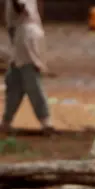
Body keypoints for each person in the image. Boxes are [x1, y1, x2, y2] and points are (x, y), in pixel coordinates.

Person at [1, 0, 53, 135]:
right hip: (22, 34)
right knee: (14, 81)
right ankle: (6, 122)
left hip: (25, 35)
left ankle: (46, 122)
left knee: (31, 80)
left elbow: (20, 6)